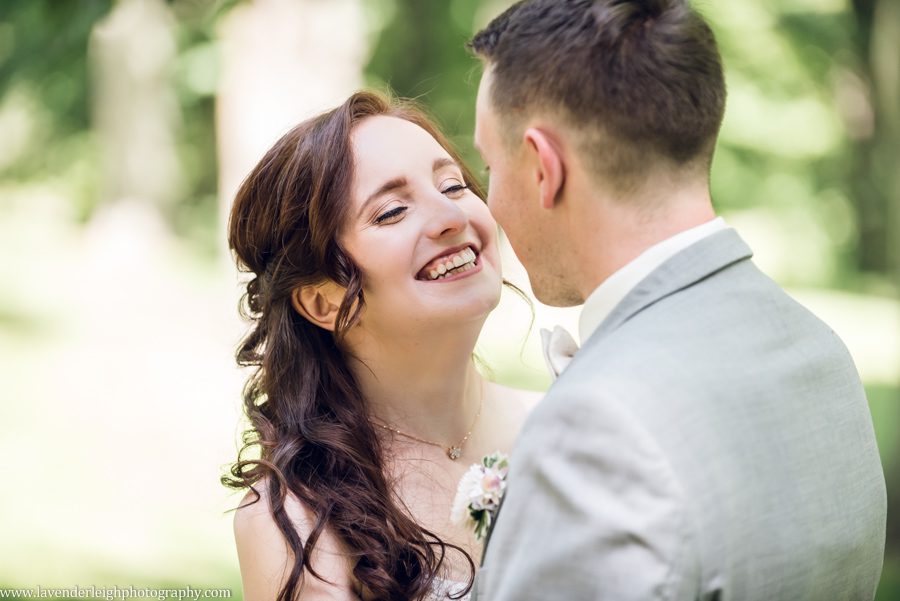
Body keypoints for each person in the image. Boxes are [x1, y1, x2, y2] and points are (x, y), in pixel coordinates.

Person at [468, 1, 887, 600]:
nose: (487, 204)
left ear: (544, 168)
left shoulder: (596, 428)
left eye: (490, 166)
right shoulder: (819, 348)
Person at [223, 91, 538, 600]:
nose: (450, 215)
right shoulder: (299, 520)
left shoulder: (569, 423)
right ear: (322, 301)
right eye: (392, 212)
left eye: (453, 185)